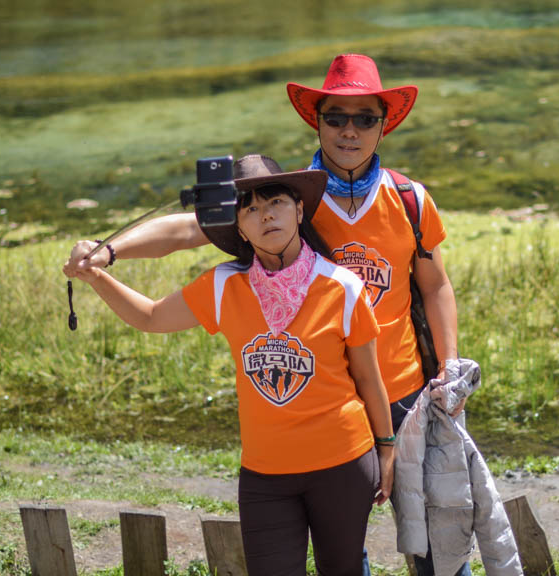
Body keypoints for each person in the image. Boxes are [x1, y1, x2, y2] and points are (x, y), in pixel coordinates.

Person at [64, 54, 466, 575]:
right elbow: (186, 230)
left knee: (437, 540)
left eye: (365, 118)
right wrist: (107, 252)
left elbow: (435, 285)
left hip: (407, 394)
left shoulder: (410, 200)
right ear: (315, 121)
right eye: (336, 117)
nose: (349, 130)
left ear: (383, 124)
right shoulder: (284, 199)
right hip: (332, 407)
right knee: (346, 553)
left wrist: (448, 369)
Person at [64, 155, 395, 576]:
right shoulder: (224, 286)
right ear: (239, 227)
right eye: (250, 209)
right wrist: (97, 275)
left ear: (299, 208)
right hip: (265, 474)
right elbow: (149, 317)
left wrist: (386, 448)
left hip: (343, 464)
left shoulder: (343, 287)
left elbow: (368, 378)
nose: (265, 215)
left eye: (274, 202)